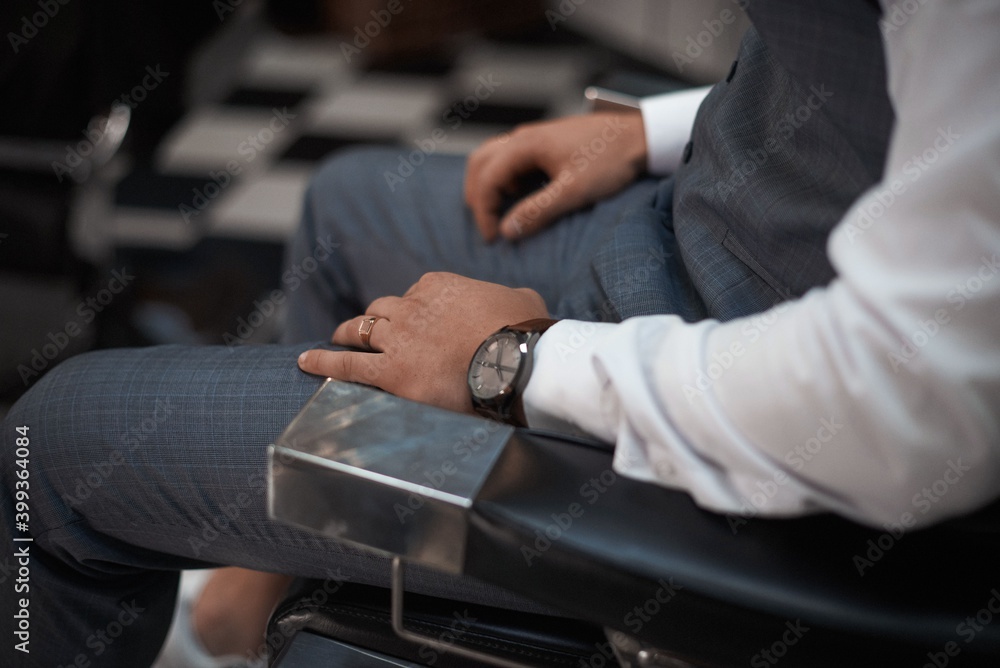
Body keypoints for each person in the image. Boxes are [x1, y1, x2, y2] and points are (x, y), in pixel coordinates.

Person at [4, 1, 1000, 666]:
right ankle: (258, 583)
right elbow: (908, 96)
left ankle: (256, 587)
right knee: (350, 205)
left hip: (761, 421)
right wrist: (664, 129)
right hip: (707, 247)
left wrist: (515, 363)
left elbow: (913, 396)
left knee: (46, 452)